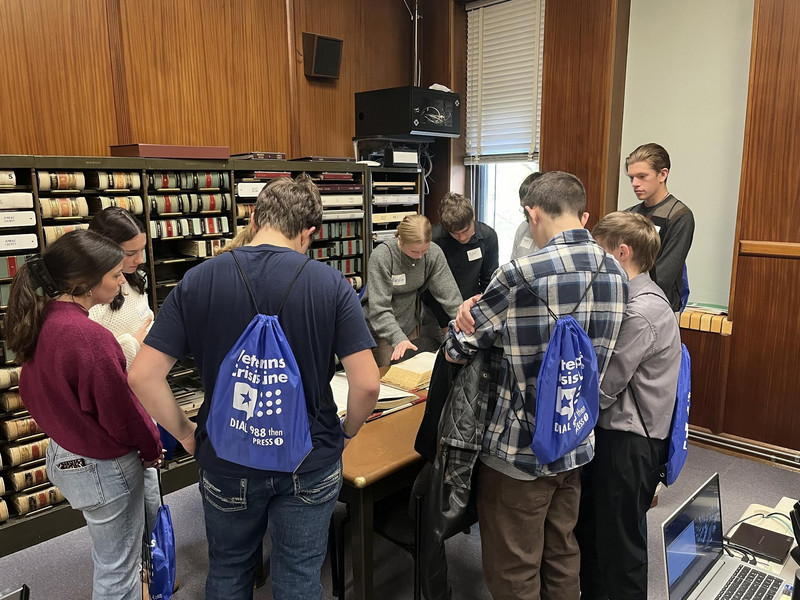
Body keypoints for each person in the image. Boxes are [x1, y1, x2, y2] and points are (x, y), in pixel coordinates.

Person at [128, 175, 380, 600]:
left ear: (253, 216)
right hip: (309, 457)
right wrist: (348, 432)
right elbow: (368, 384)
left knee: (227, 570)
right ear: (309, 233)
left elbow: (142, 376)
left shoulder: (198, 280)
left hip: (226, 456)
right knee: (298, 577)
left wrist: (187, 433)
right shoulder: (331, 284)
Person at [445, 171, 628, 600]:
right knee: (563, 553)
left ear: (533, 213)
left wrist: (460, 319)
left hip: (518, 452)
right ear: (582, 214)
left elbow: (459, 349)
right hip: (575, 441)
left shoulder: (517, 275)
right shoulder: (617, 272)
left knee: (514, 568)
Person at [5, 230, 162, 600]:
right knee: (118, 571)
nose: (122, 279)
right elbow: (121, 412)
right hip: (102, 466)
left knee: (109, 553)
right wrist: (151, 445)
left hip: (64, 452)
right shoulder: (87, 336)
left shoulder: (40, 320)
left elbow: (30, 391)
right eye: (114, 275)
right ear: (85, 284)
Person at [576, 211, 681, 600]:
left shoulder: (642, 312)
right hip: (627, 438)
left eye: (600, 253)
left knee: (620, 549)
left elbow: (606, 386)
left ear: (622, 253)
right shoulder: (643, 300)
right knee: (598, 534)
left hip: (628, 444)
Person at [86, 207, 165, 551]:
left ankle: (156, 563)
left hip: (143, 394)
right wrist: (136, 342)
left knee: (150, 489)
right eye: (129, 253)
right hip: (116, 405)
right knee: (134, 494)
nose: (138, 259)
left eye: (141, 250)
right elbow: (92, 356)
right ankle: (147, 566)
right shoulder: (93, 294)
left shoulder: (132, 280)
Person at [361, 213, 462, 366]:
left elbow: (450, 295)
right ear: (400, 240)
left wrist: (464, 321)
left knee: (411, 375)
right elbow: (379, 309)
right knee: (388, 379)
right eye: (415, 252)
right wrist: (398, 338)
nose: (420, 256)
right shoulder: (382, 256)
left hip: (409, 325)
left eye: (424, 250)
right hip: (381, 330)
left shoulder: (433, 253)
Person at [625, 143, 694, 312]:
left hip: (660, 306)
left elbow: (664, 275)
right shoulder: (629, 214)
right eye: (631, 177)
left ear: (662, 174)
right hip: (628, 301)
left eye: (642, 176)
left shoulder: (679, 216)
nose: (635, 183)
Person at [420, 192, 499, 340]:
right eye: (455, 234)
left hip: (471, 310)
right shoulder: (433, 240)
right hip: (436, 314)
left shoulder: (488, 237)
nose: (462, 238)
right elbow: (426, 287)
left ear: (473, 218)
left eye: (465, 231)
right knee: (433, 357)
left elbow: (489, 281)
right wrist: (445, 323)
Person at [509, 171, 543, 260]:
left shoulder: (555, 234)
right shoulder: (523, 228)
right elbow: (513, 266)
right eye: (523, 208)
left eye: (528, 209)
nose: (526, 213)